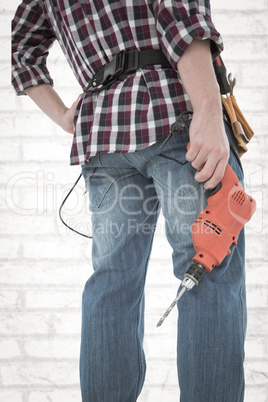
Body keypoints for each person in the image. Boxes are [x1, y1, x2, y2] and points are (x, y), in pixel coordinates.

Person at [12, 1, 246, 401]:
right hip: (173, 113)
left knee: (112, 282)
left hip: (103, 134)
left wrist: (66, 114)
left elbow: (23, 51)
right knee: (207, 272)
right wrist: (208, 110)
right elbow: (181, 13)